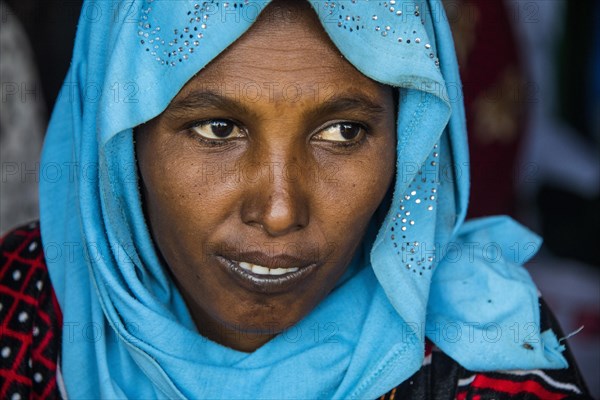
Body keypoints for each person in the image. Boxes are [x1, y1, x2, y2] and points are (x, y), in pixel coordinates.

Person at [0, 0, 591, 398]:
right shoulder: (19, 297)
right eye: (218, 129)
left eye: (343, 133)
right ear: (121, 146)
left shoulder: (492, 358)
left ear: (409, 146)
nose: (280, 211)